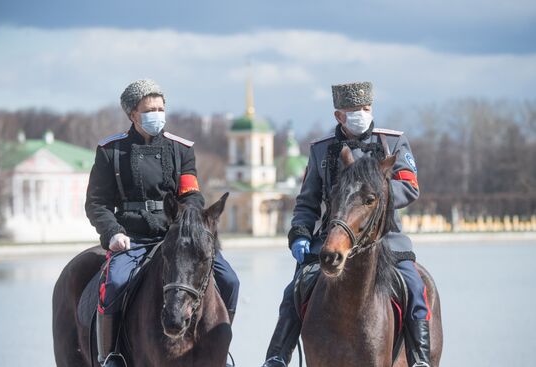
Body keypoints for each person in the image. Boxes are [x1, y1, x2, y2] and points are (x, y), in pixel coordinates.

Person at [261, 82, 431, 367]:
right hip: (335, 236)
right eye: (354, 110)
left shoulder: (394, 142)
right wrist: (300, 234)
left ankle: (420, 359)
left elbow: (410, 187)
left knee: (415, 287)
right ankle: (277, 356)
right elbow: (307, 202)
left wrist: (379, 195)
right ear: (339, 116)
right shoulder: (321, 150)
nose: (362, 114)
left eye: (366, 108)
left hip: (384, 238)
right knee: (294, 290)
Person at [85, 79, 240, 367]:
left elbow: (192, 193)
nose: (157, 114)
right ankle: (111, 355)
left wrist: (189, 222)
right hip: (132, 237)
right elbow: (97, 204)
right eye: (149, 109)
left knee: (230, 279)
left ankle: (220, 349)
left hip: (178, 235)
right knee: (115, 282)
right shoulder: (111, 151)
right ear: (133, 114)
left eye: (161, 108)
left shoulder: (181, 149)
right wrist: (113, 233)